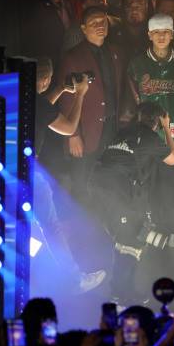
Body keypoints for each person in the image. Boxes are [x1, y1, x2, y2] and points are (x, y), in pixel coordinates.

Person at [88, 102, 174, 302]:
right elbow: (173, 158)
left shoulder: (123, 132)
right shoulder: (150, 136)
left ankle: (120, 291)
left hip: (98, 187)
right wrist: (167, 128)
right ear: (156, 122)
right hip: (116, 190)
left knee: (127, 238)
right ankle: (121, 294)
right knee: (131, 240)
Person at [36, 57, 107, 293]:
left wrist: (60, 90)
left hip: (7, 168)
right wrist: (80, 95)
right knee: (50, 226)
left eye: (50, 77)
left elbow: (42, 108)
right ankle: (75, 280)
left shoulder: (21, 97)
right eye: (46, 78)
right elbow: (68, 127)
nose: (47, 81)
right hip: (29, 172)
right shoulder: (38, 103)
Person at [127, 13, 174, 250]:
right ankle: (154, 229)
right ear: (149, 35)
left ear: (173, 34)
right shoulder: (137, 64)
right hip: (147, 137)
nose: (161, 36)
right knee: (148, 185)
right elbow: (132, 100)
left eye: (166, 32)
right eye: (156, 32)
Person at [51, 5, 129, 207]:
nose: (100, 26)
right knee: (82, 181)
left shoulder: (117, 52)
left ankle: (105, 223)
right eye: (94, 23)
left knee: (109, 177)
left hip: (112, 126)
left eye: (103, 21)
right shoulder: (73, 57)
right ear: (84, 29)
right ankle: (80, 228)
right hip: (86, 130)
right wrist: (73, 135)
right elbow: (65, 99)